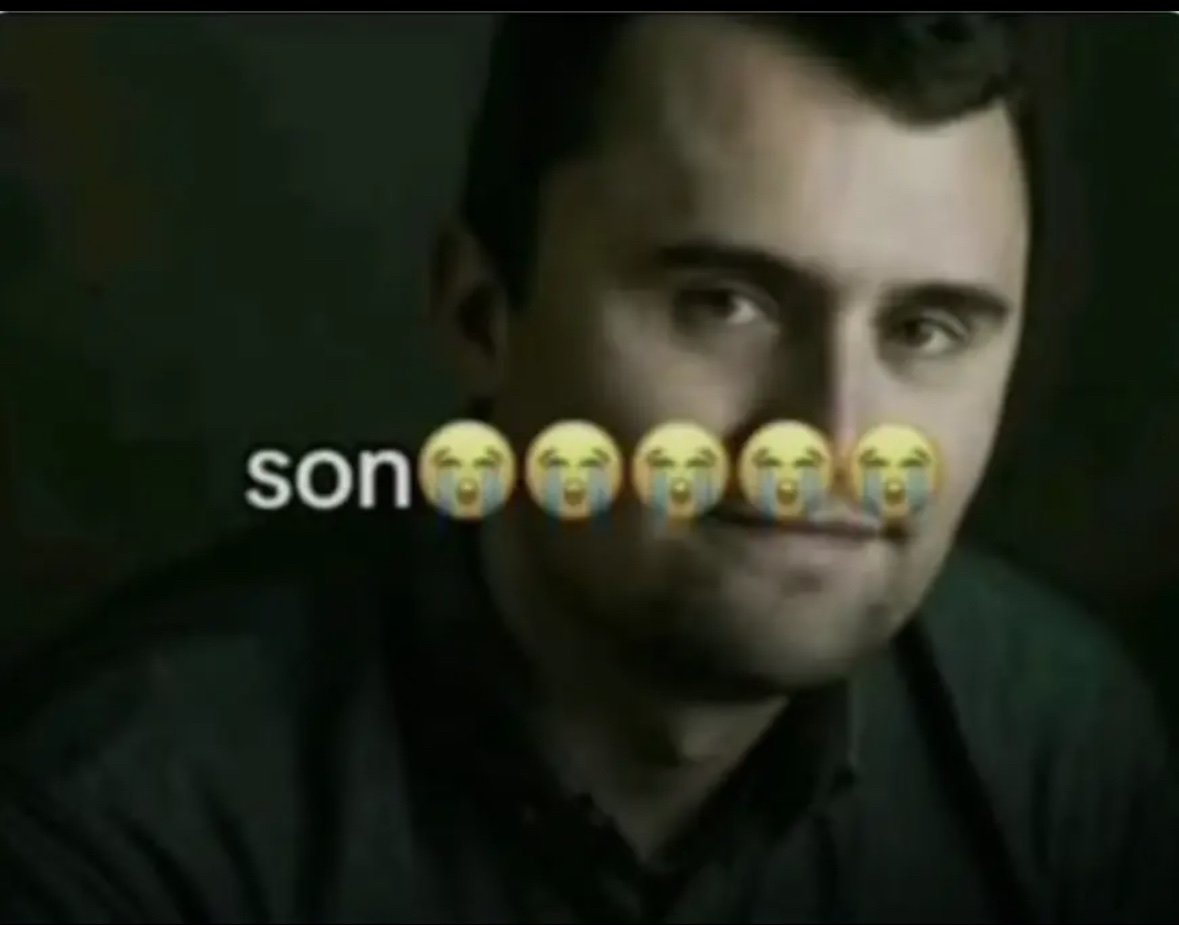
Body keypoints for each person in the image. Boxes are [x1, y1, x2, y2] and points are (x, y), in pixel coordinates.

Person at [0, 13, 1175, 923]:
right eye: (725, 304)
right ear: (481, 315)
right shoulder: (115, 829)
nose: (831, 438)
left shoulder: (1064, 754)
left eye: (925, 330)